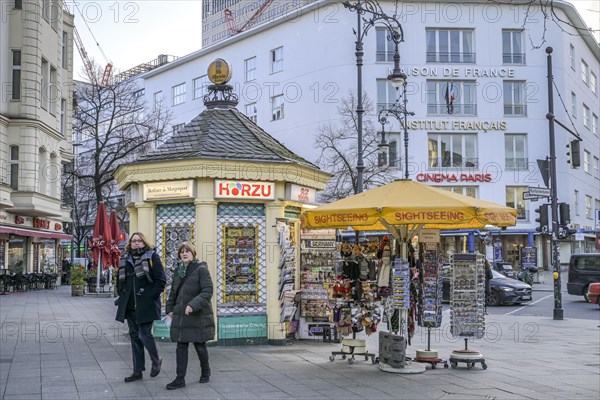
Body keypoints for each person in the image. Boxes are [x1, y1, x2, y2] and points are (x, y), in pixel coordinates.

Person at [115, 232, 166, 383]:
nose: (136, 243)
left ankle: (156, 359)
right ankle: (137, 371)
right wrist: (121, 294)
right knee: (135, 337)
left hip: (146, 304)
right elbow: (120, 279)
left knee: (144, 334)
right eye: (133, 241)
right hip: (130, 304)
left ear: (145, 243)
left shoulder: (151, 257)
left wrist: (150, 297)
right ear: (130, 244)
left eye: (139, 241)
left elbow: (161, 281)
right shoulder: (125, 259)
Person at [165, 242, 215, 390]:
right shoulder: (177, 271)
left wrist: (193, 305)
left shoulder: (201, 269)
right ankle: (180, 379)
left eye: (187, 251)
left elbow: (207, 290)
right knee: (181, 346)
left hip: (197, 315)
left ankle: (206, 371)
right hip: (181, 315)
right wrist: (169, 308)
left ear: (193, 253)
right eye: (182, 252)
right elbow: (173, 292)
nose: (184, 254)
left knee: (200, 345)